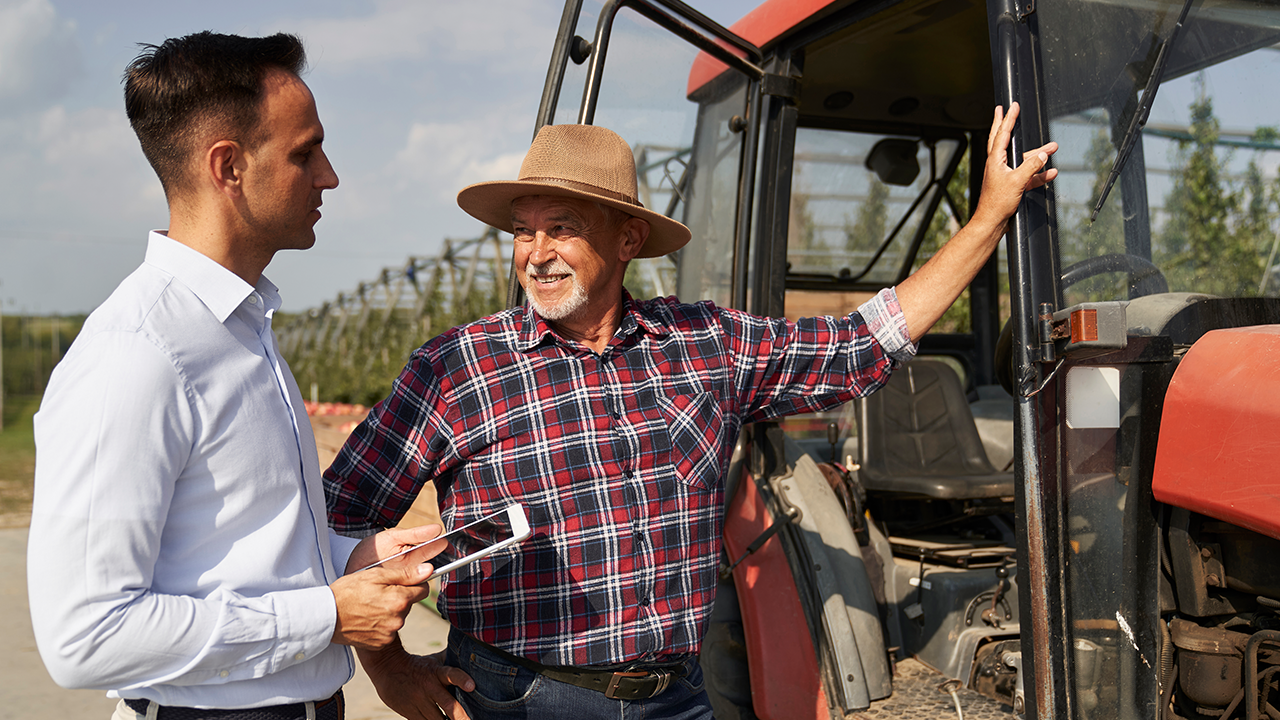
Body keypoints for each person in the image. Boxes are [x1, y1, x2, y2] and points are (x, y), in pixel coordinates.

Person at [324, 108, 1058, 719]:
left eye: (563, 227)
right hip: (519, 697)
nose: (536, 254)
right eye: (524, 230)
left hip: (675, 699)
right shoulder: (458, 367)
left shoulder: (703, 342)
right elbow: (342, 516)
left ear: (628, 239)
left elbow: (862, 344)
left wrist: (992, 215)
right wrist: (386, 668)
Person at [27, 32, 454, 720]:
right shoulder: (137, 354)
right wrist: (325, 615)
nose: (329, 176)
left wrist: (351, 556)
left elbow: (232, 553)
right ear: (228, 166)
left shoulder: (240, 327)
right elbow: (85, 634)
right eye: (304, 153)